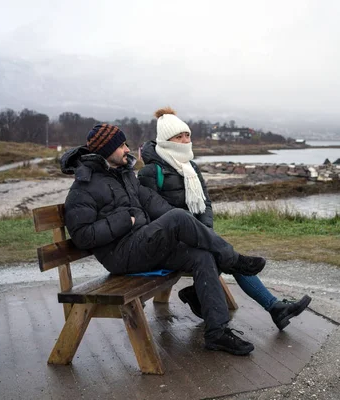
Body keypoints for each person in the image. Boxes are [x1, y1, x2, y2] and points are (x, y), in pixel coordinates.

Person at [61, 123, 267, 356]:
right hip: (121, 255)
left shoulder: (123, 175)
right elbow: (82, 237)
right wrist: (124, 220)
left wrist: (185, 224)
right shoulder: (83, 186)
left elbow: (152, 203)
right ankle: (233, 260)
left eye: (125, 144)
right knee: (178, 218)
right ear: (105, 150)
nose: (127, 149)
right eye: (120, 146)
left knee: (202, 255)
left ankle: (217, 332)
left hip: (142, 245)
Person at [137, 107, 312, 331]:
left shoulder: (191, 167)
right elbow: (156, 212)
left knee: (224, 252)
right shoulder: (150, 172)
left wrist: (205, 231)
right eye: (178, 137)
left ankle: (274, 308)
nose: (184, 140)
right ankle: (265, 307)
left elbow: (205, 203)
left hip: (196, 235)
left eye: (187, 135)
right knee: (227, 255)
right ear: (166, 140)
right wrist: (195, 234)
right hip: (168, 241)